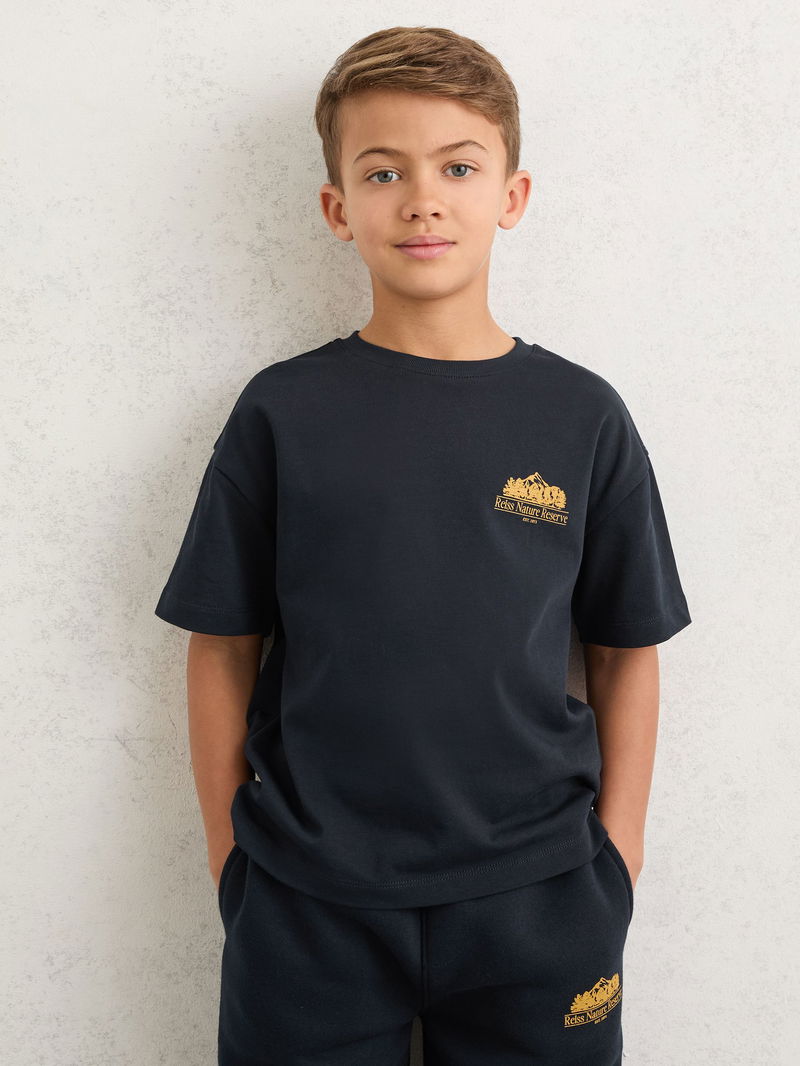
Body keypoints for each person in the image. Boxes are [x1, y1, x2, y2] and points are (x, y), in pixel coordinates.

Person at [154, 25, 692, 1066]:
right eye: (382, 171)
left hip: (542, 898)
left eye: (457, 167)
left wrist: (616, 861)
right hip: (306, 901)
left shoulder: (581, 416)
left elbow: (627, 649)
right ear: (336, 209)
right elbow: (220, 644)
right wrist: (233, 862)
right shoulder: (281, 413)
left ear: (512, 195)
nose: (422, 200)